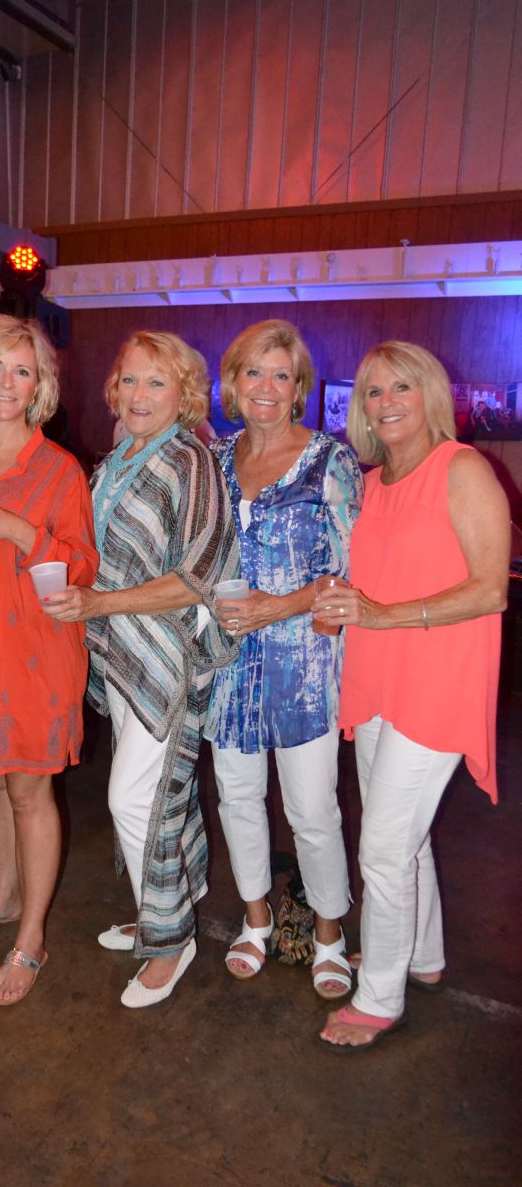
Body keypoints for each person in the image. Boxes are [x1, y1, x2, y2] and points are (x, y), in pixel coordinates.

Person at [314, 341, 509, 1052]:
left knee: (385, 846)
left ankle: (380, 996)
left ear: (431, 394)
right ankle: (420, 958)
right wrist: (340, 605)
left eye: (402, 386)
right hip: (378, 677)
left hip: (439, 682)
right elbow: (372, 580)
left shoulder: (463, 469)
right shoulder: (369, 483)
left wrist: (382, 614)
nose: (387, 401)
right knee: (405, 839)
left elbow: (490, 588)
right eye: (372, 391)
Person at [45, 331, 239, 1008]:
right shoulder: (119, 459)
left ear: (183, 392)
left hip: (170, 658)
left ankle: (170, 939)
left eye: (156, 383)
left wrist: (100, 601)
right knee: (164, 798)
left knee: (132, 797)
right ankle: (167, 903)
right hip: (122, 654)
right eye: (128, 380)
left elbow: (200, 578)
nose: (138, 395)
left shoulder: (191, 461)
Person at [0, 314, 98, 1006]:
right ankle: (2, 898)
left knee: (29, 788)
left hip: (35, 649)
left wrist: (20, 531)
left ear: (40, 387)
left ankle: (31, 936)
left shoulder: (58, 468)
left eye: (22, 370)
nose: (8, 382)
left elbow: (84, 568)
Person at [204, 320, 363, 997]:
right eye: (253, 373)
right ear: (232, 383)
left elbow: (353, 572)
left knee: (311, 809)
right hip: (227, 661)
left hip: (305, 664)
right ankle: (257, 919)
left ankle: (330, 933)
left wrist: (279, 605)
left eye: (282, 376)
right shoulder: (212, 459)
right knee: (237, 797)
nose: (266, 388)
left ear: (299, 388)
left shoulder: (330, 460)